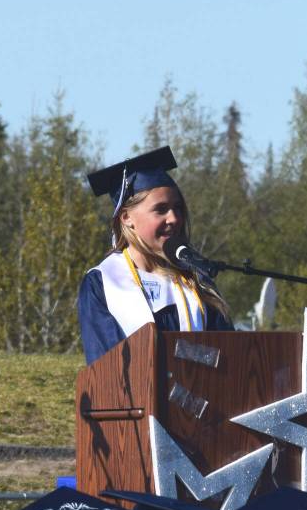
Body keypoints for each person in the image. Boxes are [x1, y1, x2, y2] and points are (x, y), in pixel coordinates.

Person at [78, 147, 232, 366]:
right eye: (161, 210)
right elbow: (105, 369)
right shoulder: (103, 283)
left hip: (207, 398)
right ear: (127, 217)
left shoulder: (197, 280)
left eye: (177, 208)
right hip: (138, 399)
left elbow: (231, 358)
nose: (174, 218)